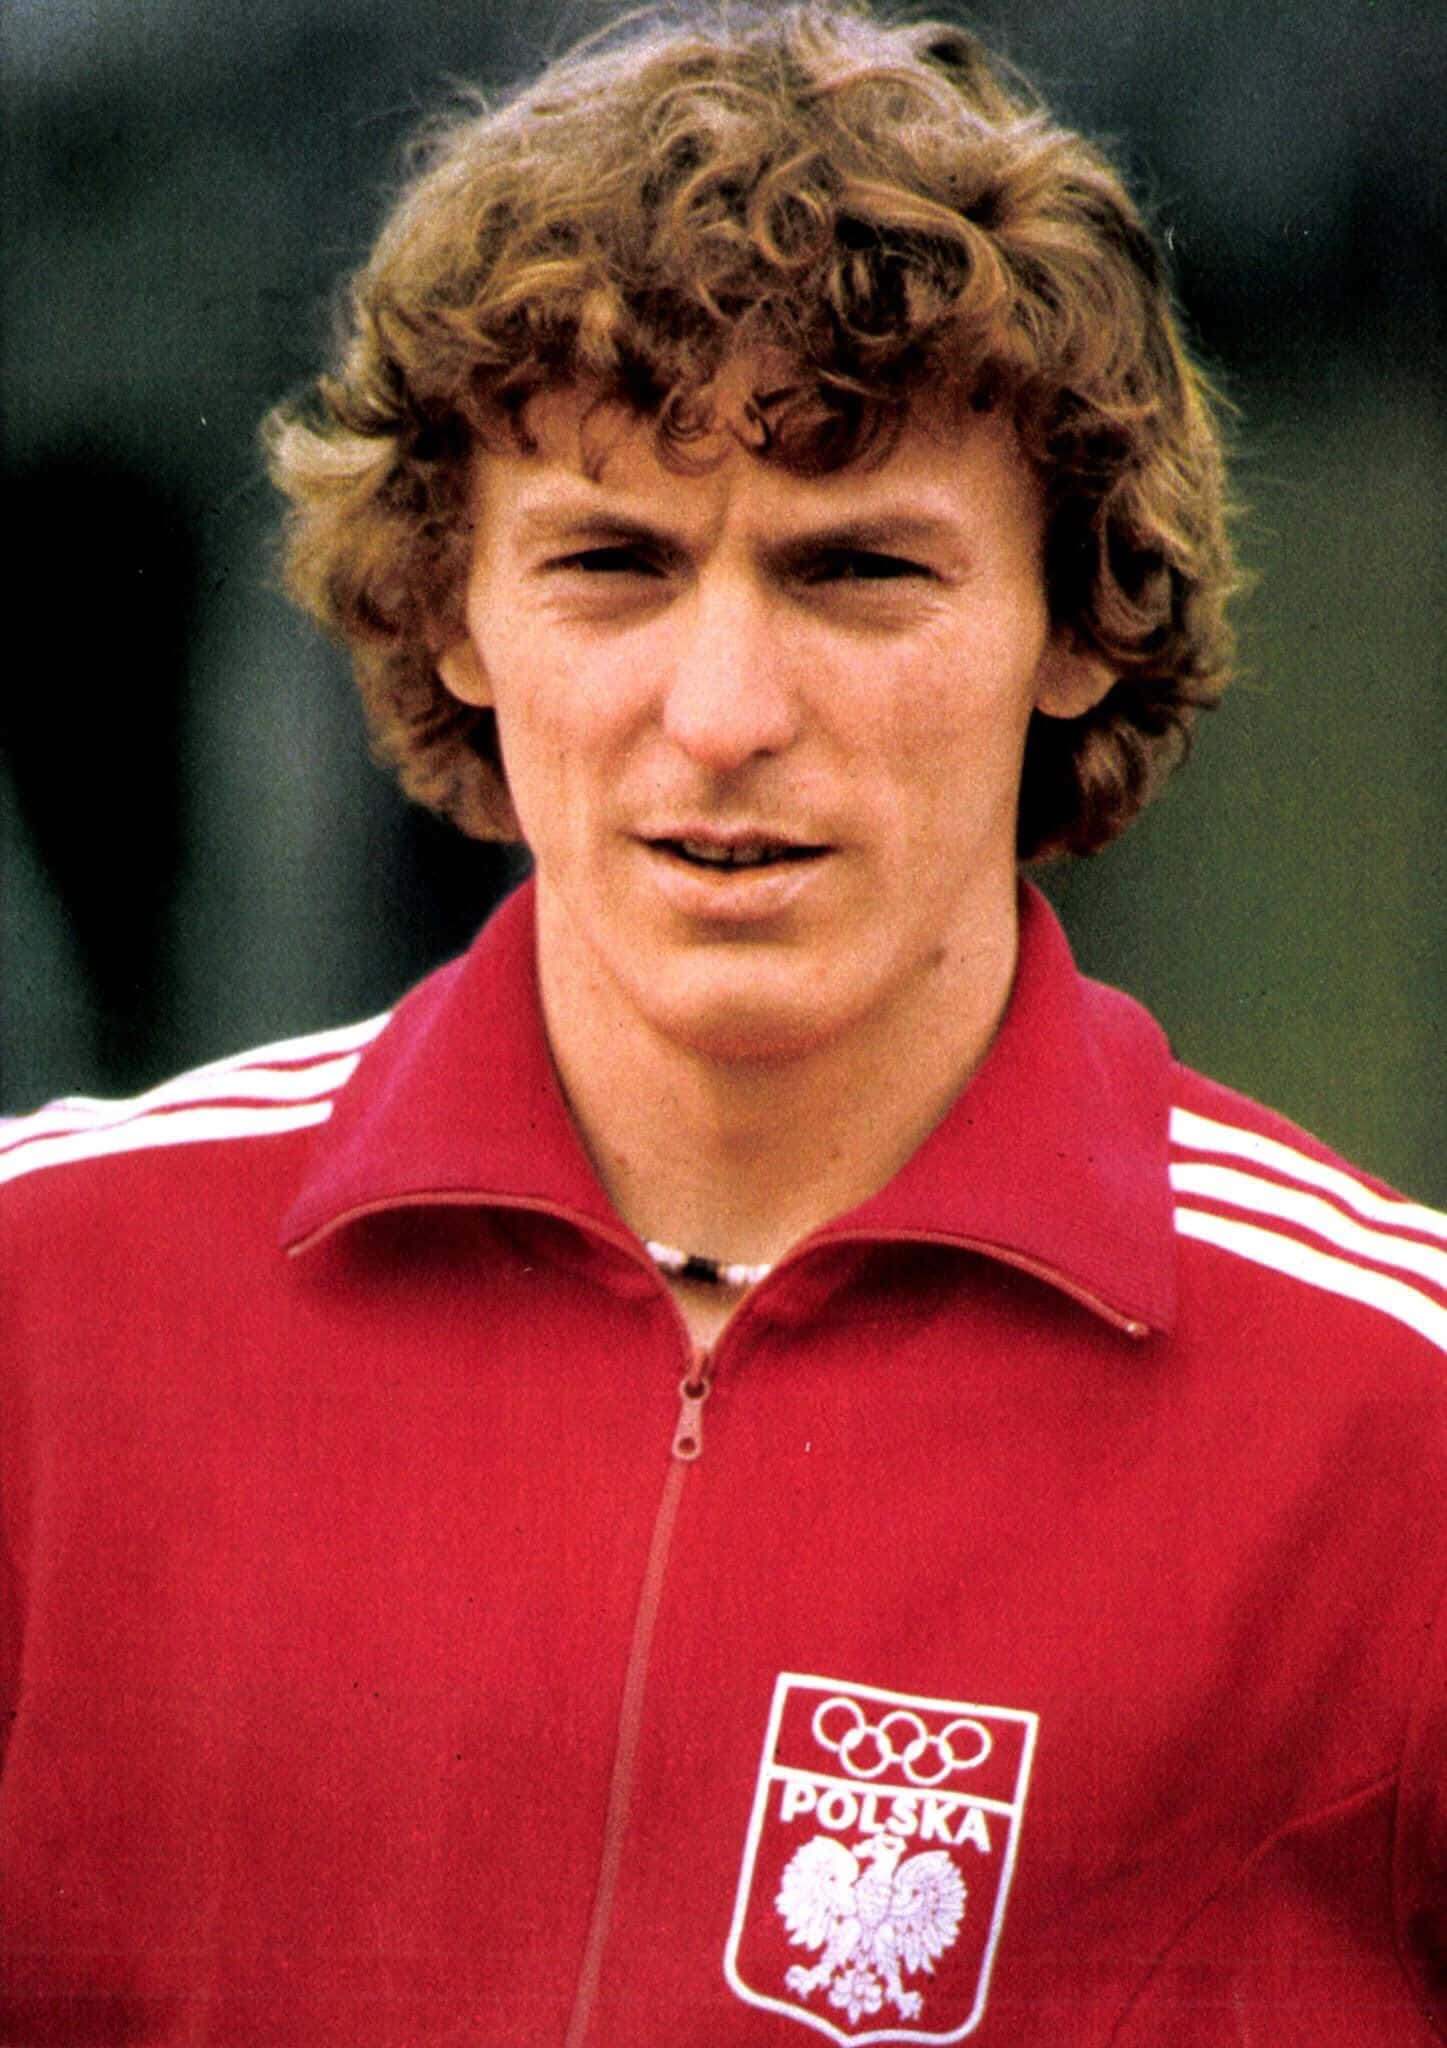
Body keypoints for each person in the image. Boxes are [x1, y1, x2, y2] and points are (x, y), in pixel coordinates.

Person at [1, 5, 1443, 2042]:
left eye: (857, 573)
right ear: (451, 609)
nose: (725, 712)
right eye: (612, 563)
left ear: (1074, 619)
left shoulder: (1394, 1436)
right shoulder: (43, 1309)